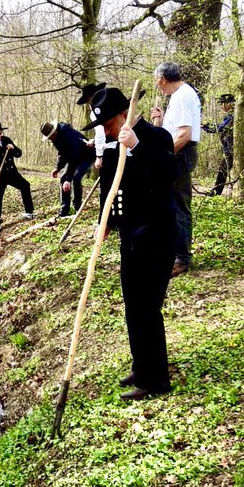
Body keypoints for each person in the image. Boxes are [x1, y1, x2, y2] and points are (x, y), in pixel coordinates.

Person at [82, 87, 176, 400]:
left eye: (107, 122)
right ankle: (142, 366)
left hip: (157, 237)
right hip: (131, 239)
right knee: (133, 306)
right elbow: (110, 192)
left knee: (148, 308)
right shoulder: (111, 147)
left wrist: (136, 146)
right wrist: (104, 223)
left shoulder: (156, 137)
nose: (104, 129)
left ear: (123, 114)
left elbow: (166, 176)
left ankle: (157, 380)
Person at [150, 62, 200, 276]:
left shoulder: (182, 96)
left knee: (179, 207)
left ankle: (182, 258)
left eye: (157, 83)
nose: (158, 88)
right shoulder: (179, 95)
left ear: (162, 79)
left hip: (180, 156)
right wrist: (160, 122)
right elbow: (173, 131)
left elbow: (183, 135)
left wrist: (164, 155)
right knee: (169, 206)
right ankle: (172, 252)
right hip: (176, 155)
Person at [0, 120, 34, 234]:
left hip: (11, 173)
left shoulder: (7, 140)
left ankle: (29, 212)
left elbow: (19, 154)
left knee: (25, 185)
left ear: (2, 133)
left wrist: (13, 148)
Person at [40, 120, 95, 216]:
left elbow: (74, 158)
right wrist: (58, 168)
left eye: (50, 136)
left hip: (87, 156)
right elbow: (63, 154)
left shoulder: (69, 135)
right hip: (75, 157)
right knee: (63, 179)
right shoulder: (55, 139)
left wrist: (68, 180)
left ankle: (78, 207)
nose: (50, 139)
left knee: (76, 178)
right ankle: (64, 209)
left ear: (55, 131)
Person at [202, 93, 235, 197]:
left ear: (229, 104)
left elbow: (220, 128)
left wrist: (206, 126)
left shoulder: (233, 116)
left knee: (223, 171)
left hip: (231, 150)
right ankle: (215, 192)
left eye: (223, 103)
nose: (222, 106)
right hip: (228, 149)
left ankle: (215, 193)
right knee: (223, 171)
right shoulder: (230, 116)